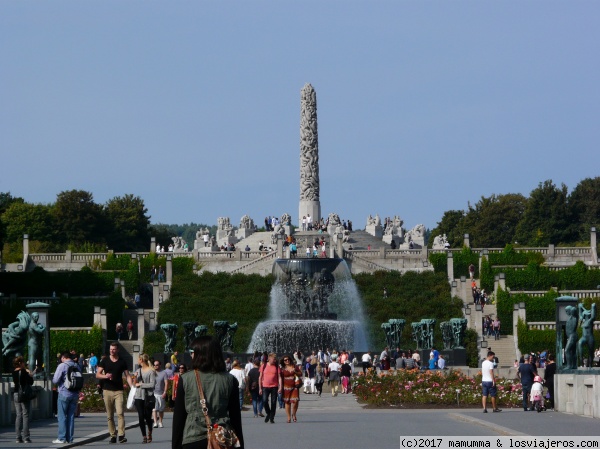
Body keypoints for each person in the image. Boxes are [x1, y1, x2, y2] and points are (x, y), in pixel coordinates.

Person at [172, 336, 244, 449]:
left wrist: (175, 445)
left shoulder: (185, 379)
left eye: (192, 352)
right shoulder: (230, 380)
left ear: (200, 354)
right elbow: (235, 418)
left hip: (193, 437)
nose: (191, 355)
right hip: (221, 439)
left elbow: (179, 419)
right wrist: (240, 444)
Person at [97, 342, 133, 443]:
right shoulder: (105, 360)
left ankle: (121, 435)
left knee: (120, 413)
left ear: (118, 350)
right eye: (110, 349)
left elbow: (128, 375)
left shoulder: (122, 361)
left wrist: (132, 387)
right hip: (107, 390)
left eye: (113, 349)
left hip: (118, 391)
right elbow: (98, 374)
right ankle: (113, 435)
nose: (112, 351)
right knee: (110, 415)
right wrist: (105, 376)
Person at [53, 351, 81, 444]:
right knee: (71, 417)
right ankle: (69, 438)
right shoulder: (77, 366)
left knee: (62, 417)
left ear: (63, 357)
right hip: (74, 394)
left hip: (64, 393)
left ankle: (61, 438)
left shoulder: (62, 366)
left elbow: (55, 379)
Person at [133, 354, 156, 443]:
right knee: (141, 416)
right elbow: (134, 384)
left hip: (148, 396)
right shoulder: (138, 370)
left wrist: (141, 384)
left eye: (138, 359)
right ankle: (144, 436)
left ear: (142, 360)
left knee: (147, 416)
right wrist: (134, 377)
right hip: (138, 396)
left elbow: (152, 384)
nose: (138, 361)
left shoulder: (151, 371)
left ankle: (150, 430)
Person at [13, 356, 34, 443]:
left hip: (16, 393)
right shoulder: (24, 372)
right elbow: (30, 382)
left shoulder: (13, 372)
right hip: (24, 394)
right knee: (25, 414)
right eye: (23, 363)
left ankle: (18, 437)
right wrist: (30, 374)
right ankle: (26, 437)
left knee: (18, 415)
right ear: (21, 363)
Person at [259, 352, 282, 423]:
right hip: (265, 386)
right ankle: (268, 413)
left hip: (274, 386)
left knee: (273, 402)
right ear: (269, 358)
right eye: (273, 359)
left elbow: (279, 377)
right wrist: (260, 388)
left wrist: (280, 387)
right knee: (265, 401)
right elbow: (260, 377)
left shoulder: (276, 366)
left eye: (275, 359)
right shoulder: (264, 366)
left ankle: (272, 417)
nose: (274, 360)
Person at [280, 355, 302, 423]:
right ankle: (288, 417)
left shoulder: (295, 366)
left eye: (288, 359)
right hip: (286, 387)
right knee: (287, 402)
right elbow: (279, 377)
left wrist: (295, 372)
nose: (287, 361)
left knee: (295, 401)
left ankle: (294, 414)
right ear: (283, 361)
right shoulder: (282, 368)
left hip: (295, 386)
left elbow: (300, 374)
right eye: (285, 360)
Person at [152, 360, 169, 428]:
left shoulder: (164, 373)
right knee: (154, 409)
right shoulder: (152, 372)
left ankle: (160, 422)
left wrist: (165, 392)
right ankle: (155, 422)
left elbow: (166, 383)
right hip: (153, 393)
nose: (155, 366)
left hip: (161, 393)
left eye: (157, 365)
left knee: (161, 409)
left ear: (160, 365)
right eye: (154, 365)